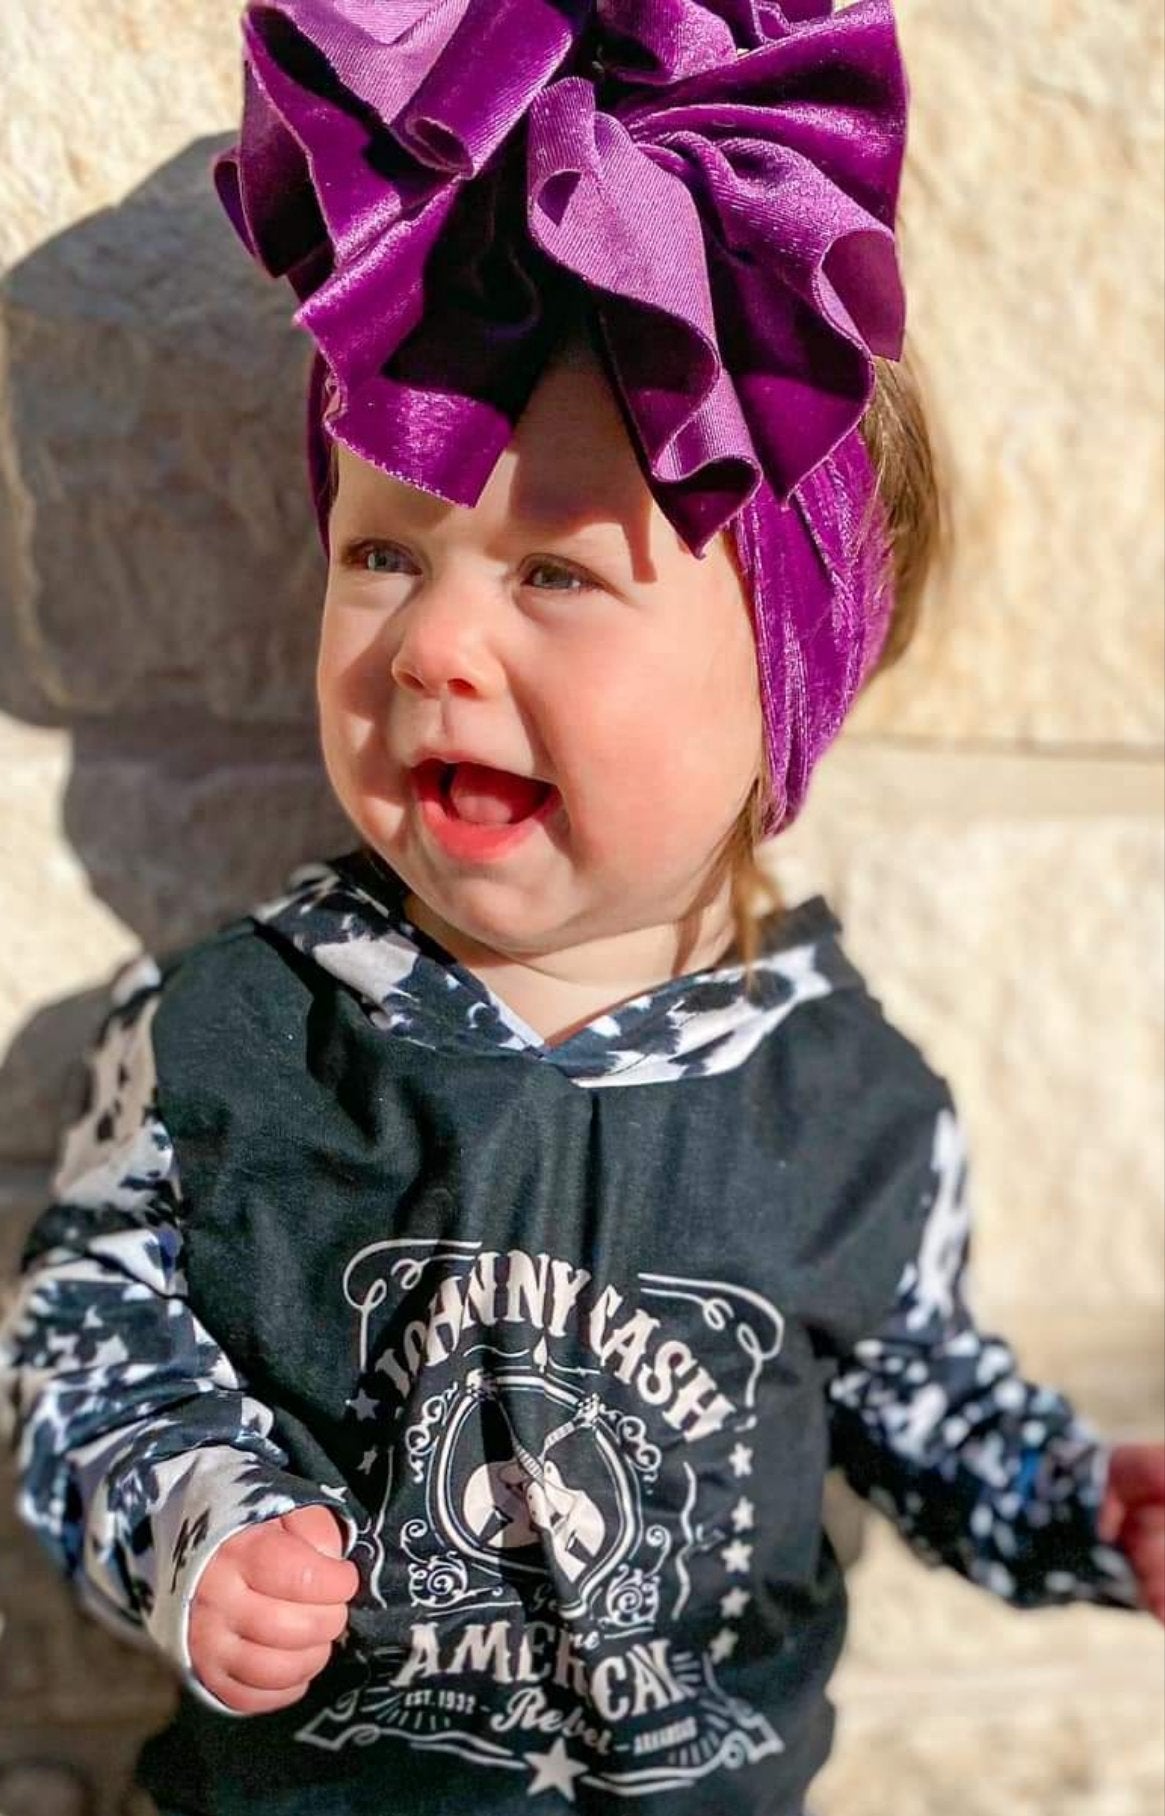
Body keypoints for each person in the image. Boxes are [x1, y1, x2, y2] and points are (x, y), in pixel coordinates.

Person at [1, 3, 1162, 1814]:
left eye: (553, 570)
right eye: (384, 550)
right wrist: (198, 1518)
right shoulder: (241, 1035)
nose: (435, 645)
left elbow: (925, 1403)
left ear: (783, 683)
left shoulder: (846, 1105)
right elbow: (81, 1338)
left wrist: (1081, 1506)